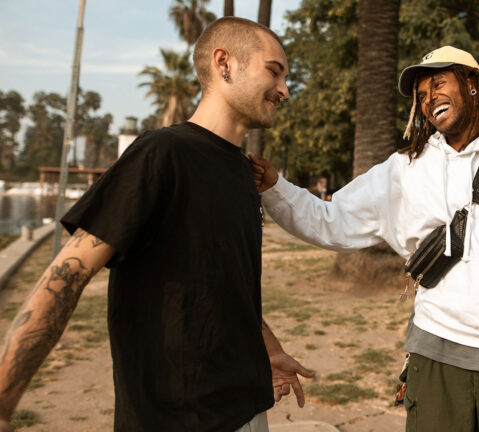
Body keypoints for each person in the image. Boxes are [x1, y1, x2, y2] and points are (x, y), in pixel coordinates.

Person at [250, 46, 479, 431]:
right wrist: (275, 188)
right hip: (435, 352)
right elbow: (331, 219)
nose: (429, 99)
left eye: (439, 84)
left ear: (472, 84)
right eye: (421, 95)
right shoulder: (404, 170)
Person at [0, 17, 313, 432]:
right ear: (225, 64)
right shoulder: (162, 153)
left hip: (248, 407)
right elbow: (65, 277)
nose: (284, 90)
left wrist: (267, 348)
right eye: (274, 71)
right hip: (176, 418)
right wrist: (4, 401)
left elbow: (220, 278)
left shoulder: (243, 170)